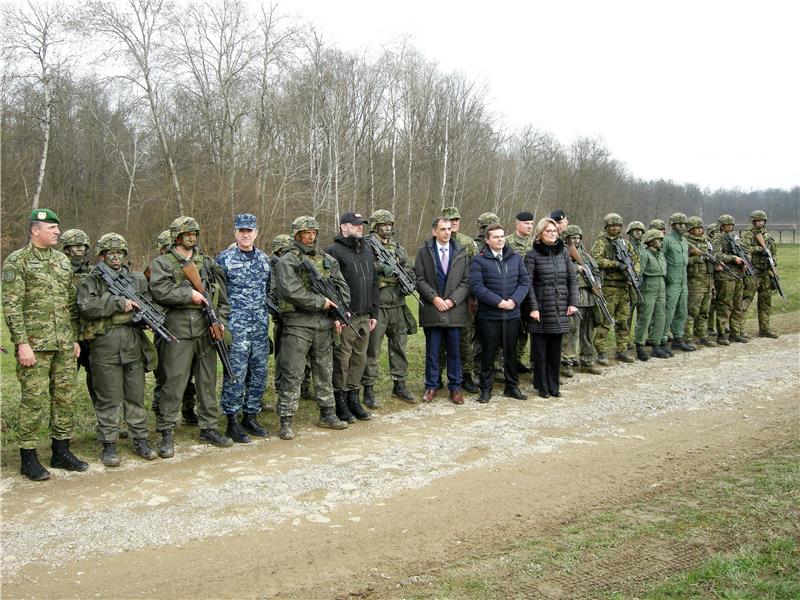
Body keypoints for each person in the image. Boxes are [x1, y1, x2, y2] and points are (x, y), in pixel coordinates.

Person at [2, 208, 89, 481]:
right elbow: (12, 307)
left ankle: (60, 451)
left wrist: (74, 337)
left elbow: (71, 304)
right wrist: (21, 343)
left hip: (63, 343)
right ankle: (28, 457)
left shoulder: (63, 262)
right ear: (35, 230)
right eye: (51, 227)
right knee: (34, 400)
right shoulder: (18, 262)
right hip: (35, 346)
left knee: (65, 397)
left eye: (57, 227)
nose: (57, 232)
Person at [149, 216, 233, 456]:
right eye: (187, 234)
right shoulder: (163, 263)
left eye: (194, 233)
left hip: (206, 328)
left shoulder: (205, 263)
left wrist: (221, 322)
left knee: (207, 381)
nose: (191, 238)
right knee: (173, 382)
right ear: (176, 237)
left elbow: (222, 298)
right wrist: (189, 295)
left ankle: (209, 427)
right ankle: (166, 431)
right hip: (178, 329)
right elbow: (160, 290)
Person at [77, 233, 158, 466]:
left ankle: (140, 438)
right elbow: (85, 307)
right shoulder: (91, 281)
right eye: (110, 253)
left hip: (132, 342)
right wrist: (117, 304)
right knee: (108, 398)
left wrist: (146, 319)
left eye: (119, 253)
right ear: (101, 255)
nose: (115, 257)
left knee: (135, 395)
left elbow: (149, 301)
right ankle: (109, 444)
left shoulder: (136, 280)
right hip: (104, 343)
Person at [273, 216, 350, 440]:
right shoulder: (287, 260)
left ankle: (327, 413)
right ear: (296, 235)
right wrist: (320, 302)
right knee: (293, 372)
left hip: (323, 323)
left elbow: (341, 285)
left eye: (313, 232)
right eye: (306, 233)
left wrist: (339, 309)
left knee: (324, 370)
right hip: (298, 323)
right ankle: (286, 419)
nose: (310, 236)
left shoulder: (326, 259)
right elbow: (290, 290)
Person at [215, 213, 272, 443]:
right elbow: (218, 293)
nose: (245, 234)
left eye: (249, 231)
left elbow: (268, 291)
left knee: (259, 371)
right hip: (236, 326)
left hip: (259, 325)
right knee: (235, 373)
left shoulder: (264, 259)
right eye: (241, 231)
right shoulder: (224, 259)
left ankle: (251, 415)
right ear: (235, 233)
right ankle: (232, 420)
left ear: (256, 233)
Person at [361, 209, 417, 407]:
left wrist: (406, 279)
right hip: (378, 305)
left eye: (390, 225)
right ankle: (368, 388)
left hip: (398, 304)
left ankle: (399, 384)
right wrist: (380, 269)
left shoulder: (397, 247)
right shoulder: (366, 245)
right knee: (372, 350)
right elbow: (364, 268)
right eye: (384, 224)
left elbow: (408, 268)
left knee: (399, 347)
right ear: (375, 226)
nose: (387, 228)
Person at [469, 223, 530, 402]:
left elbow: (524, 282)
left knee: (511, 353)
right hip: (489, 317)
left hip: (512, 315)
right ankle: (485, 390)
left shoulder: (515, 258)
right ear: (487, 240)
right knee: (488, 354)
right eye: (496, 237)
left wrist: (513, 301)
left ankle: (512, 387)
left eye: (502, 236)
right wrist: (499, 302)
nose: (500, 239)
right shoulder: (479, 260)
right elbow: (476, 287)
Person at [327, 211, 378, 422]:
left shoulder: (367, 250)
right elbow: (329, 286)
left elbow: (374, 282)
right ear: (343, 227)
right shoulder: (333, 251)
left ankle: (353, 397)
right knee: (343, 359)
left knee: (359, 358)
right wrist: (336, 314)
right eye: (355, 224)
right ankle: (340, 400)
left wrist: (374, 311)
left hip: (365, 315)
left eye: (361, 225)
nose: (360, 227)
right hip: (346, 316)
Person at [415, 217, 470, 404]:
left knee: (455, 351)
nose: (447, 232)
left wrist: (452, 300)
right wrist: (435, 298)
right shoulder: (424, 252)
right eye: (443, 229)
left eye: (449, 229)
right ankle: (432, 386)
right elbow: (419, 279)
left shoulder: (461, 251)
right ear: (434, 231)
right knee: (433, 351)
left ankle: (455, 388)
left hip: (455, 309)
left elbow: (466, 281)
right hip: (433, 308)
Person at [524, 218, 579, 398]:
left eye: (554, 231)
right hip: (540, 307)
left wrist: (573, 303)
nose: (552, 234)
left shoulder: (563, 253)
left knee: (555, 350)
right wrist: (533, 307)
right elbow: (528, 284)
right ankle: (542, 386)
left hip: (561, 306)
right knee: (540, 351)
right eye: (548, 231)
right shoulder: (532, 255)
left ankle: (554, 385)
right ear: (540, 233)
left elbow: (572, 279)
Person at [150, 229, 198, 424]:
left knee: (186, 375)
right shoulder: (156, 268)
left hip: (186, 326)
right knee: (166, 375)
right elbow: (153, 295)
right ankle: (161, 412)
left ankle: (188, 409)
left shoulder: (188, 265)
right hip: (166, 326)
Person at [440, 206, 479, 393]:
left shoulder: (468, 243)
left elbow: (475, 272)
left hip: (464, 300)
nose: (453, 222)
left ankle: (466, 375)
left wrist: (473, 297)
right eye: (449, 220)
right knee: (439, 340)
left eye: (456, 219)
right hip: (440, 300)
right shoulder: (435, 241)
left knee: (465, 339)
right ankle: (437, 376)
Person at [590, 213, 639, 364]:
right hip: (609, 287)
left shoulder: (625, 243)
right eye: (612, 225)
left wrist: (633, 272)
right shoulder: (601, 242)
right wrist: (617, 264)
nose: (616, 228)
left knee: (623, 321)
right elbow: (596, 260)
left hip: (624, 287)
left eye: (618, 225)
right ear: (606, 226)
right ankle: (601, 352)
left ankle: (622, 350)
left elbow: (636, 259)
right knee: (606, 321)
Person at [60, 229, 99, 407]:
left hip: (91, 332)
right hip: (67, 333)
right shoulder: (58, 271)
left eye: (83, 246)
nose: (80, 249)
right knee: (65, 382)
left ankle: (105, 422)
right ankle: (62, 427)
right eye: (76, 246)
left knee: (99, 380)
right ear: (66, 248)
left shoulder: (94, 272)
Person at [562, 225, 603, 374]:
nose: (576, 240)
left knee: (587, 330)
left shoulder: (585, 256)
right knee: (572, 331)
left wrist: (597, 283)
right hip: (573, 297)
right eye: (573, 238)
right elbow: (561, 270)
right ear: (566, 239)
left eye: (578, 237)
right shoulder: (562, 254)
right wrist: (575, 268)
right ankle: (567, 361)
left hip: (589, 298)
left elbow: (597, 272)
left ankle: (587, 359)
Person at [504, 211, 535, 374]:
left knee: (525, 329)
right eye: (526, 223)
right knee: (509, 329)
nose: (529, 226)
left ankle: (517, 360)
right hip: (511, 292)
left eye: (531, 223)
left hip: (529, 293)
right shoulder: (507, 242)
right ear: (517, 224)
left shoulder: (535, 243)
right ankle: (503, 362)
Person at [741, 210, 779, 338]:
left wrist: (773, 261)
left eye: (762, 221)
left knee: (765, 302)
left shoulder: (767, 234)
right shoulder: (748, 234)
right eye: (758, 221)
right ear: (753, 221)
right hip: (754, 272)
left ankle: (765, 329)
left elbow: (773, 250)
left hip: (766, 272)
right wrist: (759, 249)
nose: (760, 223)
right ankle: (738, 330)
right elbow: (744, 250)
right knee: (746, 300)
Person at [712, 214, 748, 345]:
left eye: (731, 225)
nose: (730, 227)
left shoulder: (735, 238)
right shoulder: (718, 239)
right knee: (725, 305)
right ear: (721, 226)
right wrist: (733, 258)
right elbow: (716, 255)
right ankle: (721, 334)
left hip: (738, 275)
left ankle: (735, 333)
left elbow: (744, 251)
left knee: (737, 305)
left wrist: (744, 262)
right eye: (727, 225)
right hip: (726, 276)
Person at [661, 213, 694, 353]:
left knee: (682, 311)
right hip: (671, 281)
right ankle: (661, 340)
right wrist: (665, 278)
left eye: (684, 224)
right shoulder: (666, 240)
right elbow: (660, 259)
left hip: (683, 281)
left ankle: (678, 339)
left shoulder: (684, 241)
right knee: (668, 311)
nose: (682, 226)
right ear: (673, 225)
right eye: (679, 224)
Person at [635, 230, 669, 359]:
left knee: (660, 316)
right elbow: (640, 272)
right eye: (658, 240)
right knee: (645, 317)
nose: (660, 242)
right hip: (648, 286)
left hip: (661, 284)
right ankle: (640, 345)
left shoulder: (661, 254)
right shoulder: (644, 254)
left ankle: (656, 344)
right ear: (650, 241)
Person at [684, 217, 716, 347]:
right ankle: (688, 338)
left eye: (701, 228)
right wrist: (696, 259)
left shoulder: (706, 243)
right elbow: (682, 261)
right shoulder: (686, 243)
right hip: (694, 283)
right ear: (691, 230)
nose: (699, 230)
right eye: (696, 228)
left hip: (707, 282)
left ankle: (702, 336)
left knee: (704, 312)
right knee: (692, 312)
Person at [625, 221, 647, 352]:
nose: (638, 233)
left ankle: (640, 339)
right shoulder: (626, 246)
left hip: (643, 283)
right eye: (635, 230)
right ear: (630, 233)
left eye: (640, 230)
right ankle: (625, 340)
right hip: (630, 284)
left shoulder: (644, 247)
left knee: (642, 313)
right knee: (628, 314)